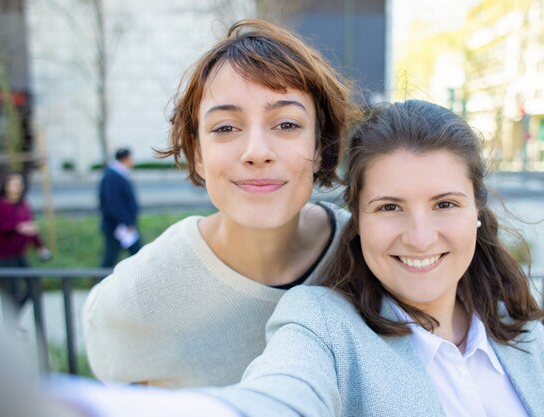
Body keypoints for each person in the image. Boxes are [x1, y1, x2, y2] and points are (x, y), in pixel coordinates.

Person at [43, 99, 544, 417]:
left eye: (445, 204)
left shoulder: (521, 332)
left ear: (477, 208)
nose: (421, 235)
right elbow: (276, 401)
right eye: (389, 207)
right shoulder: (321, 324)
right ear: (358, 221)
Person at [83, 19, 357, 388]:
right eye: (226, 128)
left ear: (320, 147)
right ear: (197, 154)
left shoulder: (365, 251)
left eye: (287, 124)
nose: (257, 152)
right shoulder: (142, 294)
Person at [0, 171, 51, 322]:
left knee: (33, 287)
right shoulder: (2, 205)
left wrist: (41, 247)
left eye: (19, 184)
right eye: (12, 184)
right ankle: (11, 325)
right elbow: (3, 226)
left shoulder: (24, 205)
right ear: (6, 186)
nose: (16, 187)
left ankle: (13, 321)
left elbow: (32, 228)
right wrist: (18, 227)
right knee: (11, 293)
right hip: (4, 256)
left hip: (20, 254)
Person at [98, 148, 142, 268]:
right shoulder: (113, 175)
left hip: (121, 225)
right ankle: (99, 283)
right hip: (118, 226)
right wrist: (127, 223)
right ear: (126, 158)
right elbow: (114, 203)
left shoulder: (116, 173)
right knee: (113, 257)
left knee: (136, 254)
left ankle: (99, 282)